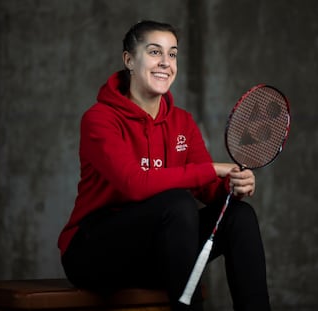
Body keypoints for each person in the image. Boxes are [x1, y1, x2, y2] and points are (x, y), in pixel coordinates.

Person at [58, 20, 271, 311]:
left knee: (239, 216)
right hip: (93, 254)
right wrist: (213, 169)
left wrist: (232, 186)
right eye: (155, 52)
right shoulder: (99, 119)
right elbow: (134, 184)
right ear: (129, 60)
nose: (165, 63)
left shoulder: (181, 121)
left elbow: (208, 190)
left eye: (172, 54)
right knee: (178, 203)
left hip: (155, 253)